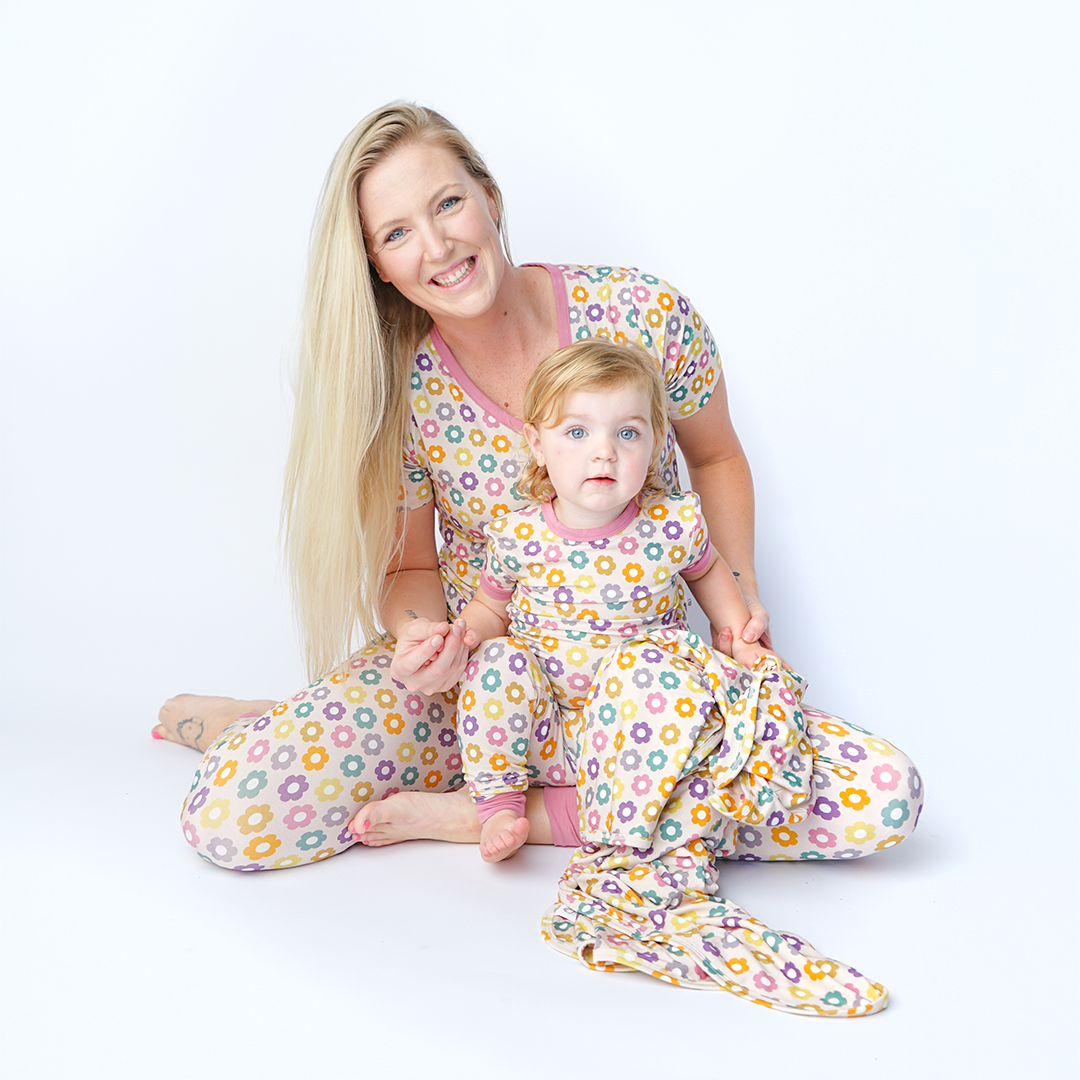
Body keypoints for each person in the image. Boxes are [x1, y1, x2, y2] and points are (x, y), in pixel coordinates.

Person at [155, 102, 922, 879]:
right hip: (477, 695)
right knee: (232, 817)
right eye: (397, 233)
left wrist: (740, 601)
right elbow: (407, 572)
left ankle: (493, 812)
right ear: (375, 266)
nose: (438, 245)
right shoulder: (402, 399)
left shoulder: (645, 314)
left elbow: (717, 458)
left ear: (488, 195)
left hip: (647, 705)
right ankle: (290, 732)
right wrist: (429, 640)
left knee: (880, 795)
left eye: (447, 203)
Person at [414, 339, 777, 862]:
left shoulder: (669, 525)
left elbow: (711, 572)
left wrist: (739, 635)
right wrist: (463, 636)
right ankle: (498, 802)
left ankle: (574, 813)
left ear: (655, 445)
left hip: (640, 732)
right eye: (577, 432)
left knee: (672, 685)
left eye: (627, 433)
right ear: (537, 445)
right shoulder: (519, 536)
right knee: (496, 662)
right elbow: (490, 609)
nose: (603, 451)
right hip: (543, 729)